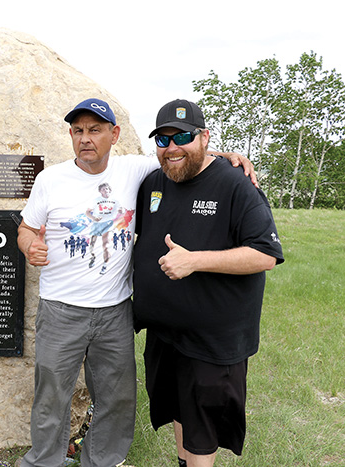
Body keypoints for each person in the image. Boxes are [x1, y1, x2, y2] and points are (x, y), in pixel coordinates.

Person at [17, 98, 255, 467]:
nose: (85, 139)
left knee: (116, 398)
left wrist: (227, 155)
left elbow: (182, 155)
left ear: (114, 135)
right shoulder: (50, 180)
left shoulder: (137, 169)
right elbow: (26, 229)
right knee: (51, 396)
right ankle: (44, 461)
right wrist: (30, 245)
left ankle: (103, 461)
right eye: (78, 131)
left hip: (114, 311)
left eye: (94, 130)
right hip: (60, 310)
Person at [133, 99, 284, 467]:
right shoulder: (154, 181)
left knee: (203, 430)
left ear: (204, 137)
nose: (172, 148)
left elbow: (266, 254)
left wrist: (194, 261)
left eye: (182, 137)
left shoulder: (235, 184)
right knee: (181, 415)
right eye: (163, 140)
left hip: (213, 341)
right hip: (166, 335)